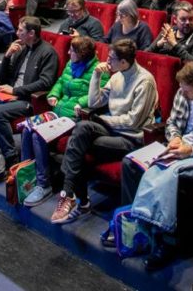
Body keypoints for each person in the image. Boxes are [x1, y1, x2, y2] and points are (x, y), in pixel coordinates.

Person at [119, 62, 193, 270]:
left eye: (188, 91)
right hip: (177, 147)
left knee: (167, 176)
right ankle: (135, 225)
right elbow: (172, 122)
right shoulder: (183, 92)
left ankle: (164, 240)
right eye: (182, 88)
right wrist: (175, 138)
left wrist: (190, 150)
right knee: (131, 163)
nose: (183, 93)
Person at [51, 39, 158, 223]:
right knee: (82, 128)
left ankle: (80, 201)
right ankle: (69, 195)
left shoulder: (144, 81)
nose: (107, 61)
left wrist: (102, 119)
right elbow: (94, 102)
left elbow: (133, 122)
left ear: (123, 62)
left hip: (131, 138)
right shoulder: (117, 75)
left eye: (111, 59)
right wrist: (96, 76)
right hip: (112, 129)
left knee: (77, 144)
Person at [20, 35, 109, 206]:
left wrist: (80, 103)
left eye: (72, 51)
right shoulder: (70, 64)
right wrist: (53, 94)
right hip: (57, 112)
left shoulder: (99, 71)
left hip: (73, 118)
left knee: (38, 135)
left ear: (82, 54)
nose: (68, 53)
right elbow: (60, 82)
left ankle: (43, 185)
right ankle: (27, 177)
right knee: (27, 128)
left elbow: (99, 95)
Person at [0, 17, 59, 169]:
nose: (17, 33)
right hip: (10, 96)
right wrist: (7, 56)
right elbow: (3, 79)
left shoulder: (48, 53)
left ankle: (11, 156)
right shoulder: (21, 49)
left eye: (20, 30)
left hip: (28, 100)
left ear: (31, 33)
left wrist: (16, 90)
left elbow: (46, 82)